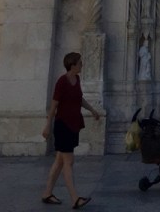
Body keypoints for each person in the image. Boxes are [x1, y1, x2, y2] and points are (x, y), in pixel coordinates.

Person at [41, 52, 100, 209]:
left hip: (73, 124)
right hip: (63, 125)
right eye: (80, 63)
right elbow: (54, 105)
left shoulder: (77, 79)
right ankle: (75, 198)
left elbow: (79, 99)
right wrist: (47, 125)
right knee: (69, 161)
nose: (82, 65)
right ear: (72, 65)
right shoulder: (62, 81)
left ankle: (47, 193)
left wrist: (92, 110)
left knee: (60, 161)